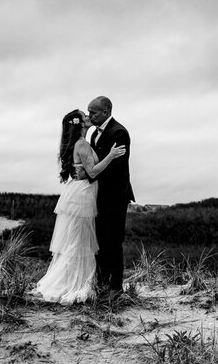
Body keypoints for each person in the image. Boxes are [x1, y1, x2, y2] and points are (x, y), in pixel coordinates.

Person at [33, 109, 126, 305]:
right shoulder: (82, 144)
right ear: (80, 124)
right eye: (85, 116)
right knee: (79, 240)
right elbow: (92, 172)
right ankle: (73, 284)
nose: (88, 117)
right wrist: (110, 155)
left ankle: (75, 280)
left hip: (79, 192)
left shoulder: (81, 142)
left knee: (77, 240)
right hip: (82, 194)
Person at [87, 96, 135, 299]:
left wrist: (90, 173)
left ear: (105, 112)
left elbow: (117, 167)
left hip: (115, 195)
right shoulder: (93, 134)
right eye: (89, 112)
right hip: (99, 195)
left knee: (113, 240)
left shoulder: (119, 132)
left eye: (93, 113)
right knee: (101, 240)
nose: (90, 116)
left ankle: (115, 288)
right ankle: (102, 281)